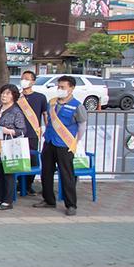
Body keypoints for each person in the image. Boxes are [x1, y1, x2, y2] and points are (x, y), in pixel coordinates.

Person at [35, 75, 87, 216]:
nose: (60, 89)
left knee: (67, 175)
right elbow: (47, 120)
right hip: (50, 141)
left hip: (65, 144)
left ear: (71, 88)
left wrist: (75, 141)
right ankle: (48, 199)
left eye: (63, 87)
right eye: (59, 87)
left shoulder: (77, 106)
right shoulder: (52, 103)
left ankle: (71, 204)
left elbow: (82, 125)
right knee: (46, 172)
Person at [0, 84, 26, 211]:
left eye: (8, 94)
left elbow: (22, 130)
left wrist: (7, 130)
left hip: (8, 145)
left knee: (8, 174)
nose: (4, 96)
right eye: (3, 93)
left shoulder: (16, 111)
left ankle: (8, 200)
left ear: (14, 96)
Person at [17, 70, 48, 195]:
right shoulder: (17, 97)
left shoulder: (40, 97)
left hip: (33, 133)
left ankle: (28, 185)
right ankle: (20, 184)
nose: (24, 80)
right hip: (18, 133)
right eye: (23, 78)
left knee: (33, 160)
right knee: (19, 160)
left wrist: (47, 129)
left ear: (33, 81)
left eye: (27, 78)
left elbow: (45, 114)